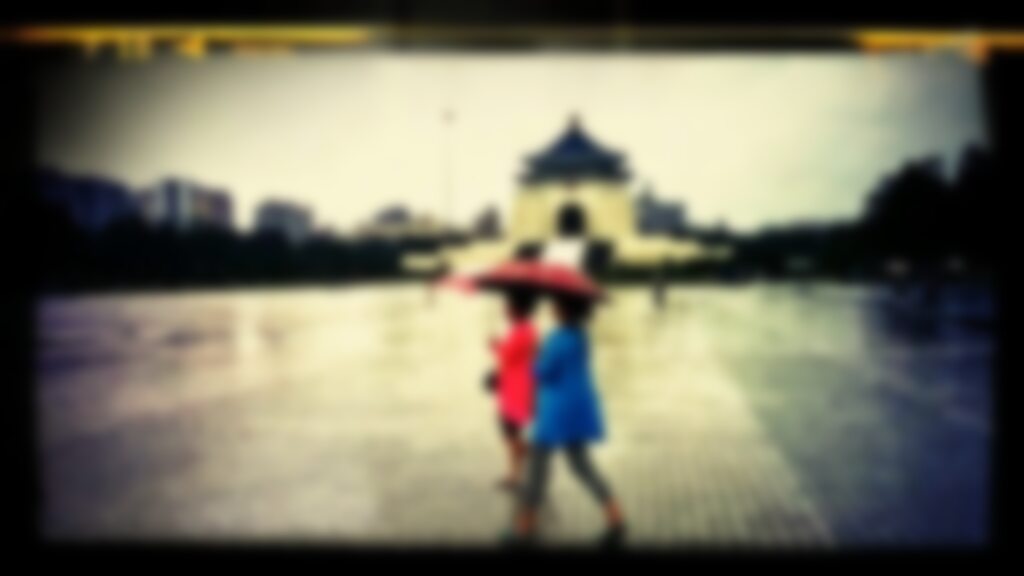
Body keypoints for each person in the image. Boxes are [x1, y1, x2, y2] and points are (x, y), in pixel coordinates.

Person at [507, 293, 626, 548]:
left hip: (556, 412)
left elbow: (543, 374)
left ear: (564, 309)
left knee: (537, 467)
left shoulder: (557, 338)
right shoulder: (581, 335)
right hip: (579, 407)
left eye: (555, 304)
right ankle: (615, 515)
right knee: (581, 465)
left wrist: (533, 357)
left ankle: (525, 526)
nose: (551, 307)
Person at [490, 288, 540, 491]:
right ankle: (514, 476)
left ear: (517, 309)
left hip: (515, 389)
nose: (504, 309)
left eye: (508, 306)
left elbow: (507, 356)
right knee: (514, 432)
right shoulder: (528, 329)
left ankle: (531, 453)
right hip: (520, 387)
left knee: (509, 432)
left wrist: (494, 345)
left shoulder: (521, 331)